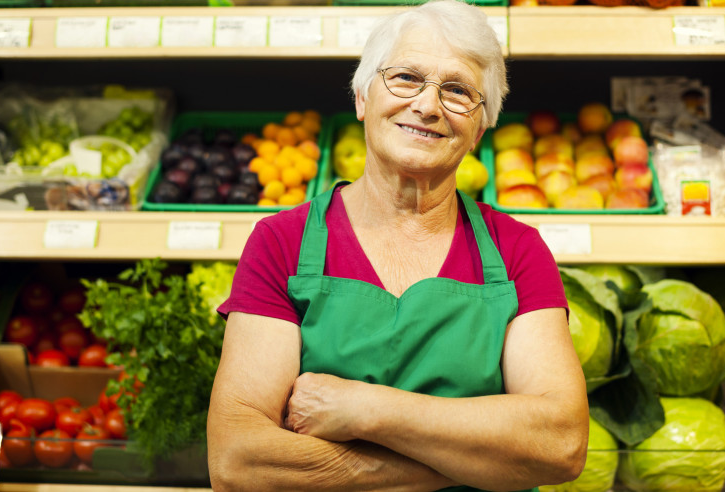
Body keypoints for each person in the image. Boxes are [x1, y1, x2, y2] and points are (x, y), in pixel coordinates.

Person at [207, 0, 588, 490]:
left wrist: (366, 410)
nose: (428, 106)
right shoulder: (282, 242)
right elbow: (238, 462)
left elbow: (560, 444)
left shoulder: (517, 250)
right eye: (407, 77)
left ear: (480, 127)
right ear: (363, 97)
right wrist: (460, 464)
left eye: (457, 91)